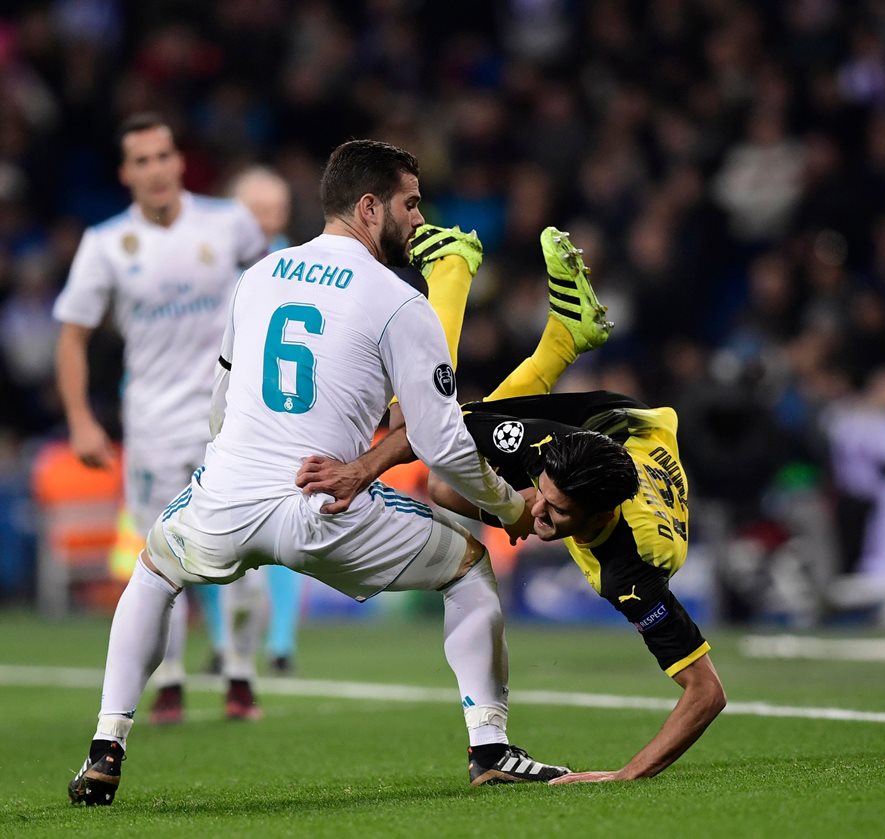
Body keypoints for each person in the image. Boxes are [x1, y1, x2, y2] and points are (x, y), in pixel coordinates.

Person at [67, 139, 566, 806]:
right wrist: (510, 508)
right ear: (368, 207)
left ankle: (106, 746)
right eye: (409, 204)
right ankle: (490, 746)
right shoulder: (399, 301)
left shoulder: (260, 276)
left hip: (228, 497)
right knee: (467, 566)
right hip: (326, 504)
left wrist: (230, 471)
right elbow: (442, 445)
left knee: (155, 571)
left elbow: (220, 401)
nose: (419, 219)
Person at [296, 225, 726, 784]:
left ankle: (525, 314)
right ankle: (547, 330)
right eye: (540, 495)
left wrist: (624, 776)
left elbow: (707, 693)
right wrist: (366, 469)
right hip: (609, 424)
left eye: (555, 514)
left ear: (596, 519)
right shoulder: (547, 447)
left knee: (446, 479)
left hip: (640, 460)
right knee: (438, 449)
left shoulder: (632, 571)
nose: (538, 513)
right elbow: (440, 423)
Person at [53, 113, 269, 723]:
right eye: (140, 161)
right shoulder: (106, 245)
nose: (154, 170)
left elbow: (277, 287)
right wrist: (80, 419)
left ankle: (240, 673)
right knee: (158, 557)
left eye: (163, 156)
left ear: (179, 162)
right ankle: (169, 679)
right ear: (126, 173)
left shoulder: (230, 224)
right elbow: (72, 337)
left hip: (233, 419)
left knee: (248, 547)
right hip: (149, 425)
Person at [230, 165, 305, 674]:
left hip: (283, 416)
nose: (266, 219)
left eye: (274, 210)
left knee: (287, 528)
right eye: (257, 210)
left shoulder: (293, 264)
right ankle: (228, 644)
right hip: (229, 410)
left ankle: (278, 642)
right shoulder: (215, 262)